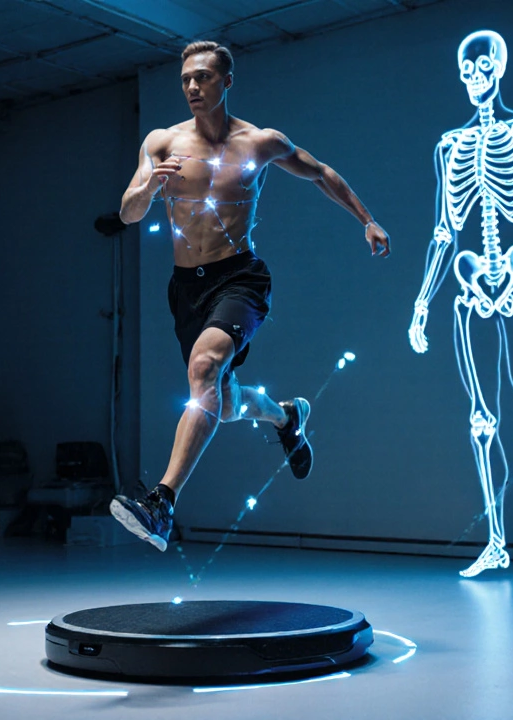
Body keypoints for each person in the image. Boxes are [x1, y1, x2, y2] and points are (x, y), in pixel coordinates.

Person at [109, 41, 391, 551]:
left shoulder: (258, 143)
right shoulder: (162, 142)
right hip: (185, 288)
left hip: (241, 277)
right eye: (186, 80)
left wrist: (367, 220)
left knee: (204, 369)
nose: (193, 87)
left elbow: (320, 172)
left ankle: (161, 503)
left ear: (227, 81)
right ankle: (287, 415)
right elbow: (129, 212)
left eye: (204, 78)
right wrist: (150, 186)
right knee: (220, 399)